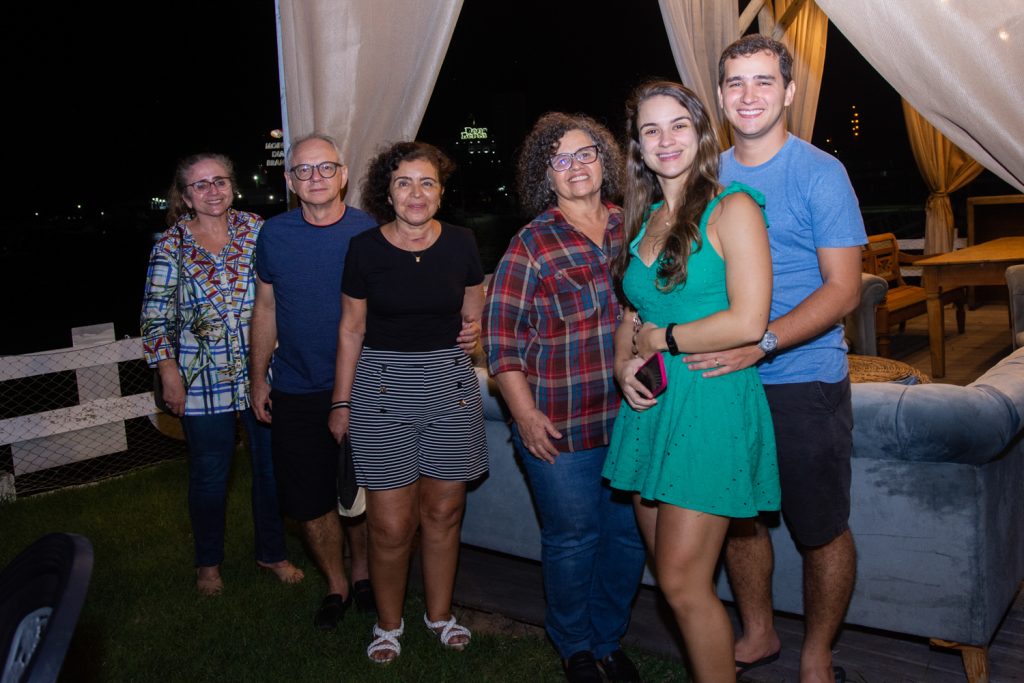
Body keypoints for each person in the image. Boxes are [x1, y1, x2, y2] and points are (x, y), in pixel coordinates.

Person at [644, 35, 866, 683]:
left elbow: (843, 288)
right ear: (718, 95)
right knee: (737, 519)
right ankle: (760, 628)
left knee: (819, 525)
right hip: (715, 381)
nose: (748, 96)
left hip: (801, 378)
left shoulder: (819, 174)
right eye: (735, 83)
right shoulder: (705, 176)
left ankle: (818, 651)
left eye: (764, 82)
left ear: (790, 92)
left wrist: (761, 341)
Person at [603, 81, 780, 683]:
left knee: (681, 582)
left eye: (678, 125)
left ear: (702, 133)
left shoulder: (734, 207)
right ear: (638, 147)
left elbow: (748, 319)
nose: (665, 140)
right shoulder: (647, 218)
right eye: (650, 130)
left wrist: (665, 340)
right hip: (651, 407)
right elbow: (634, 312)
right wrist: (627, 362)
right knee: (676, 579)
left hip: (710, 401)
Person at [483, 113, 646, 683]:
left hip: (634, 419)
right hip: (560, 423)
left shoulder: (639, 227)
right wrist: (524, 415)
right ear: (545, 175)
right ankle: (575, 645)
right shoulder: (531, 242)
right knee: (574, 539)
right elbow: (499, 338)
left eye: (586, 155)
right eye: (561, 159)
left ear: (605, 161)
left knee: (628, 538)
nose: (576, 167)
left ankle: (607, 637)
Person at [327, 141, 488, 664]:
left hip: (449, 384)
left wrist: (477, 340)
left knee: (444, 511)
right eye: (403, 183)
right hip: (381, 387)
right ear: (387, 193)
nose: (415, 193)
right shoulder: (364, 250)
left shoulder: (463, 243)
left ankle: (439, 615)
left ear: (441, 191)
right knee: (391, 523)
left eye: (426, 182)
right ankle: (388, 624)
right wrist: (340, 402)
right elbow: (351, 329)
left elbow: (473, 324)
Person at [142, 153, 304, 596]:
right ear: (185, 195)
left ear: (232, 184)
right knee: (210, 474)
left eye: (220, 181)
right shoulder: (170, 245)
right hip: (201, 379)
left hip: (264, 371)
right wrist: (169, 372)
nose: (212, 190)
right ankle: (208, 564)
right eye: (200, 184)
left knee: (271, 469)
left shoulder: (257, 230)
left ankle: (272, 552)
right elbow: (155, 320)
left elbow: (282, 292)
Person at [250, 134, 377, 629]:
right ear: (289, 181)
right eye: (303, 171)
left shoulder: (370, 233)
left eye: (325, 169)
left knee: (361, 491)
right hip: (295, 387)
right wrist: (258, 377)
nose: (315, 178)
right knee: (308, 497)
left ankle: (363, 572)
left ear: (343, 175)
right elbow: (265, 307)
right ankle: (336, 583)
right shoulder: (274, 235)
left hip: (363, 387)